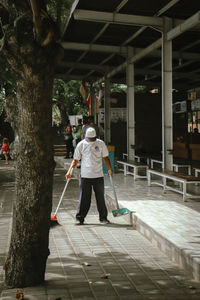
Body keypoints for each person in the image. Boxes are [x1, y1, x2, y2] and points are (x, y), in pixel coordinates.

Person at [66, 127, 113, 225]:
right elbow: (75, 160)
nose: (91, 142)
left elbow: (105, 157)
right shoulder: (81, 145)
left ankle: (103, 218)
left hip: (98, 175)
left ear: (96, 137)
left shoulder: (100, 143)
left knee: (100, 198)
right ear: (85, 137)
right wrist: (70, 171)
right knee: (84, 198)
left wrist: (109, 169)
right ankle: (80, 218)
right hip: (85, 176)